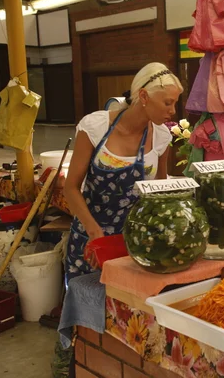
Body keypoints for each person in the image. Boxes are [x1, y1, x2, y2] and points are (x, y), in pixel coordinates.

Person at [64, 62, 182, 282]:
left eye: (175, 103)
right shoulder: (95, 127)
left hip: (134, 242)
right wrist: (93, 231)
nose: (172, 111)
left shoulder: (161, 137)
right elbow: (70, 187)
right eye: (168, 102)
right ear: (144, 96)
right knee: (88, 305)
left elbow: (158, 194)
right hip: (90, 239)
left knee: (128, 308)